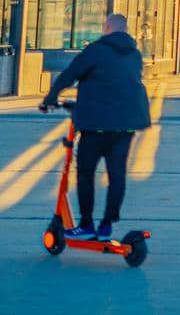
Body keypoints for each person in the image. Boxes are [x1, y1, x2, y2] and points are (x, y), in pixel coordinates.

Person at [39, 13, 151, 242]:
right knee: (117, 175)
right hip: (126, 126)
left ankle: (87, 224)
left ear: (107, 27)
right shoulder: (135, 54)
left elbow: (70, 75)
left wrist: (51, 97)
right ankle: (107, 225)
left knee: (86, 173)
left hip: (97, 125)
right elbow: (118, 83)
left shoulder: (96, 50)